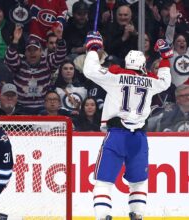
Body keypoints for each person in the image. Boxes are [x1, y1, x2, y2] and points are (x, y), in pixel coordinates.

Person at [83, 32, 173, 220]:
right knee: (138, 182)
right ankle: (137, 215)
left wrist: (93, 48)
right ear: (143, 65)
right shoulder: (151, 81)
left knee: (103, 182)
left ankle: (104, 216)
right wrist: (165, 59)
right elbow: (165, 82)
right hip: (139, 138)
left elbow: (90, 71)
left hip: (117, 135)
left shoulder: (116, 76)